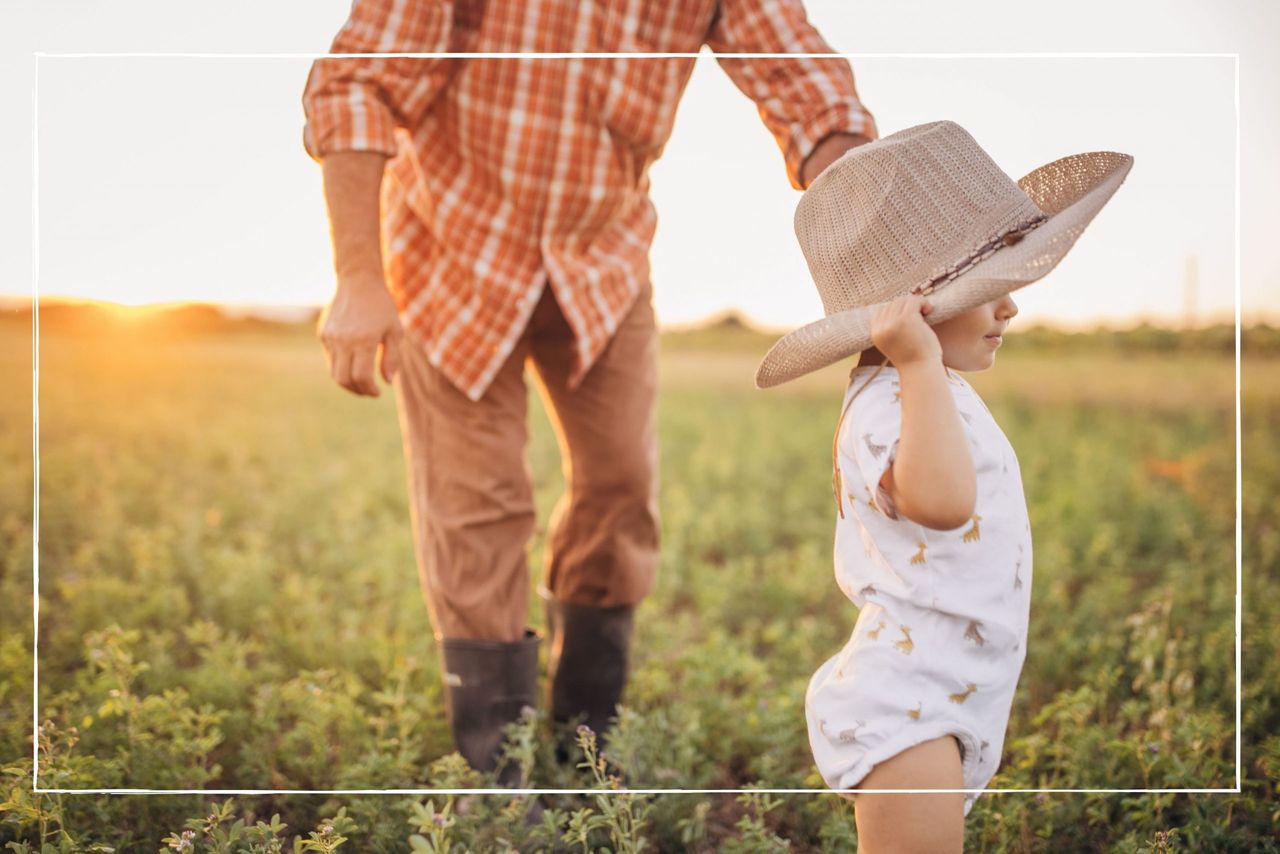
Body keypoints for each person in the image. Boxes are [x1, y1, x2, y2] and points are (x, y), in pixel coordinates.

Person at [301, 0, 877, 780]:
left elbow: (800, 77)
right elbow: (358, 82)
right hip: (449, 255)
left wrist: (869, 209)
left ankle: (584, 756)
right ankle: (499, 779)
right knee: (479, 507)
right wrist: (359, 278)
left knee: (621, 489)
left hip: (601, 259)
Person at [755, 121, 1132, 851]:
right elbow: (942, 502)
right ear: (907, 319)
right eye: (986, 289)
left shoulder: (920, 389)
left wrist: (927, 371)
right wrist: (922, 367)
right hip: (910, 702)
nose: (1010, 307)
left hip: (946, 686)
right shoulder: (894, 400)